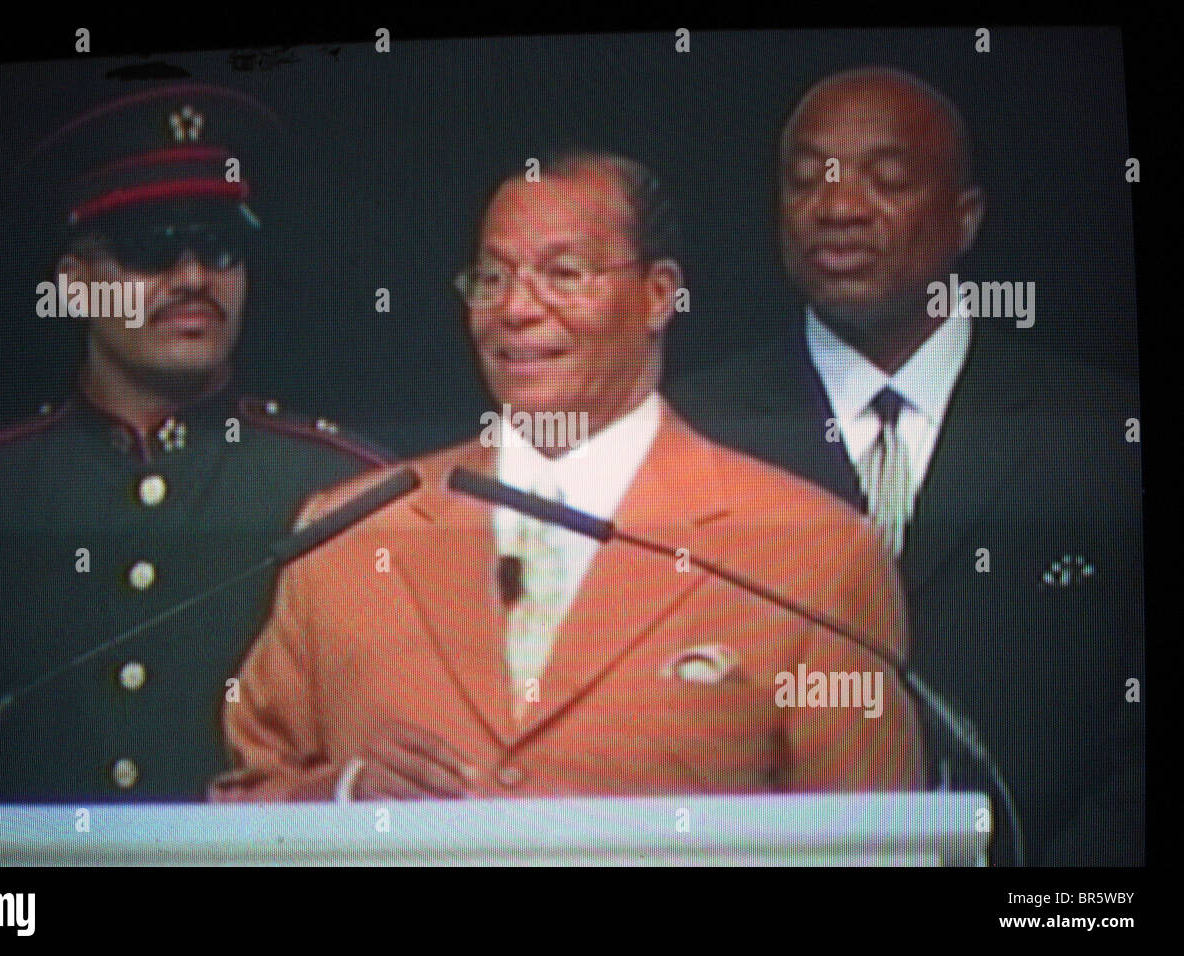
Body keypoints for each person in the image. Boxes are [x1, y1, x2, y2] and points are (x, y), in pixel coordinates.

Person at [211, 151, 925, 804]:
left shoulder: (810, 553)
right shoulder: (351, 534)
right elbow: (240, 806)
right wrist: (341, 796)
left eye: (564, 274)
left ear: (657, 296)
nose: (516, 310)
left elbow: (876, 844)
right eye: (491, 278)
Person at [669, 68, 1144, 865]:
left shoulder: (1100, 435)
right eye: (805, 180)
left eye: (886, 180)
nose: (839, 207)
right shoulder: (695, 435)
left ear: (966, 218)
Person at [0, 84, 392, 852]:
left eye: (220, 246)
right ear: (72, 283)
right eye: (150, 247)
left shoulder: (345, 489)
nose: (194, 276)